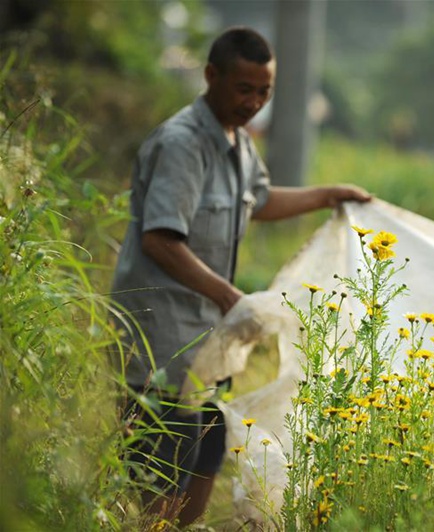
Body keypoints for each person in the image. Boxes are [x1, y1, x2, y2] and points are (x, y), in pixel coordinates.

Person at [111, 26, 371, 527]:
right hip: (163, 341)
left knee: (205, 458)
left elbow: (263, 201)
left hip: (211, 343)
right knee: (159, 477)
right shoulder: (184, 144)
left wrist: (329, 195)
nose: (253, 102)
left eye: (264, 92)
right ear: (211, 77)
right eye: (243, 89)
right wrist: (233, 298)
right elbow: (160, 240)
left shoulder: (238, 143)